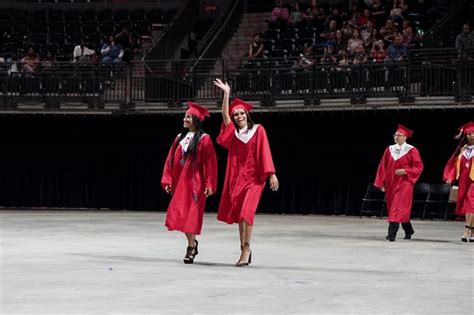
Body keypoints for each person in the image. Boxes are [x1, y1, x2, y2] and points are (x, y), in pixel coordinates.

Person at [213, 79, 279, 266]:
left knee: (246, 213)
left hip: (255, 179)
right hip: (238, 179)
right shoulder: (234, 134)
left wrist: (272, 174)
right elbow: (225, 116)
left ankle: (247, 248)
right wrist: (227, 94)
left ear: (247, 114)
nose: (239, 116)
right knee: (240, 216)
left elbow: (265, 152)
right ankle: (243, 249)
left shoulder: (258, 130)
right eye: (236, 114)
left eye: (242, 113)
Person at [161, 102, 218, 263]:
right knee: (180, 215)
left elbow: (211, 163)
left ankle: (191, 248)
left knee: (191, 217)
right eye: (185, 116)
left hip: (195, 184)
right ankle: (192, 243)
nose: (185, 119)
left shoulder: (205, 139)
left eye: (188, 117)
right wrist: (168, 180)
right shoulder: (179, 138)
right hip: (179, 182)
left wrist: (209, 184)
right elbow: (170, 160)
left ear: (196, 120)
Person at [374, 124, 424, 241]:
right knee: (396, 208)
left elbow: (419, 166)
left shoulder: (411, 150)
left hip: (405, 183)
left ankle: (391, 234)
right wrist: (381, 183)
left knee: (396, 207)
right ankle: (409, 230)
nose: (396, 137)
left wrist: (406, 171)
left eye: (399, 135)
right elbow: (382, 167)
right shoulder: (389, 149)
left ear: (405, 137)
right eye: (395, 135)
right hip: (391, 183)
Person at [443, 122, 474, 242]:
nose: (471, 136)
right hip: (464, 181)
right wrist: (449, 177)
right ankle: (472, 230)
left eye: (473, 133)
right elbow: (453, 164)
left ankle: (466, 229)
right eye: (469, 133)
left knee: (471, 202)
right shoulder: (462, 150)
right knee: (469, 205)